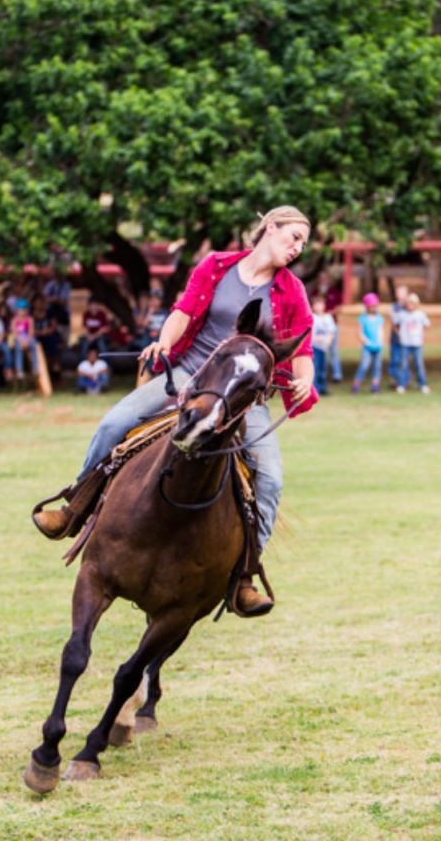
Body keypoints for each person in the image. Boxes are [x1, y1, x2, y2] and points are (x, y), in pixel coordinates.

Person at [32, 206, 318, 617]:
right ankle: (75, 507)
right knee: (115, 422)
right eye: (293, 237)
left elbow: (302, 348)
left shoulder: (291, 290)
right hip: (189, 375)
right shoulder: (217, 266)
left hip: (240, 398)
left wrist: (305, 378)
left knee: (271, 478)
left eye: (303, 244)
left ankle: (244, 576)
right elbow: (183, 311)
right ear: (269, 229)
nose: (298, 248)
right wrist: (163, 344)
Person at [395, 293, 432, 394]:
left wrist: (422, 334)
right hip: (405, 343)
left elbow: (427, 325)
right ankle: (401, 385)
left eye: (412, 303)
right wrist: (399, 334)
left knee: (419, 364)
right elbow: (394, 325)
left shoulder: (420, 314)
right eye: (408, 303)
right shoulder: (401, 314)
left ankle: (423, 384)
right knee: (403, 364)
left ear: (416, 304)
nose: (410, 305)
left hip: (417, 343)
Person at [352, 292, 385, 394]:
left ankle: (375, 386)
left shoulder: (379, 318)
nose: (373, 308)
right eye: (371, 306)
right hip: (367, 347)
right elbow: (359, 332)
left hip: (378, 346)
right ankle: (356, 385)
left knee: (377, 367)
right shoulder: (362, 319)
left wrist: (381, 341)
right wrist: (365, 341)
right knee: (364, 365)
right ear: (366, 306)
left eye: (374, 306)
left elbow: (381, 330)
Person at [310, 295, 336, 397]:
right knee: (314, 367)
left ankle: (323, 387)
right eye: (316, 304)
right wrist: (318, 339)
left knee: (323, 368)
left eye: (321, 304)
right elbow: (310, 334)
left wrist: (328, 341)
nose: (319, 307)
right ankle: (314, 388)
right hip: (314, 347)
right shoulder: (311, 317)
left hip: (324, 347)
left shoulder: (328, 317)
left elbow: (331, 332)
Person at [387, 284, 409, 392]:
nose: (401, 294)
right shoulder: (393, 307)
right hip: (396, 338)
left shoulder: (410, 306)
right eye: (399, 292)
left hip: (407, 339)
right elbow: (392, 322)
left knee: (404, 360)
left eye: (403, 292)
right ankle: (396, 380)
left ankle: (404, 381)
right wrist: (398, 332)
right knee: (395, 359)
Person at [7, 298, 35, 382]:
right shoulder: (14, 320)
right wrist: (21, 341)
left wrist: (27, 341)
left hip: (28, 339)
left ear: (27, 310)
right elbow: (15, 333)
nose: (22, 311)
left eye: (24, 309)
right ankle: (19, 370)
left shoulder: (29, 319)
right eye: (20, 309)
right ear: (16, 310)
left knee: (34, 346)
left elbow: (31, 331)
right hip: (18, 339)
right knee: (18, 348)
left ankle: (35, 368)